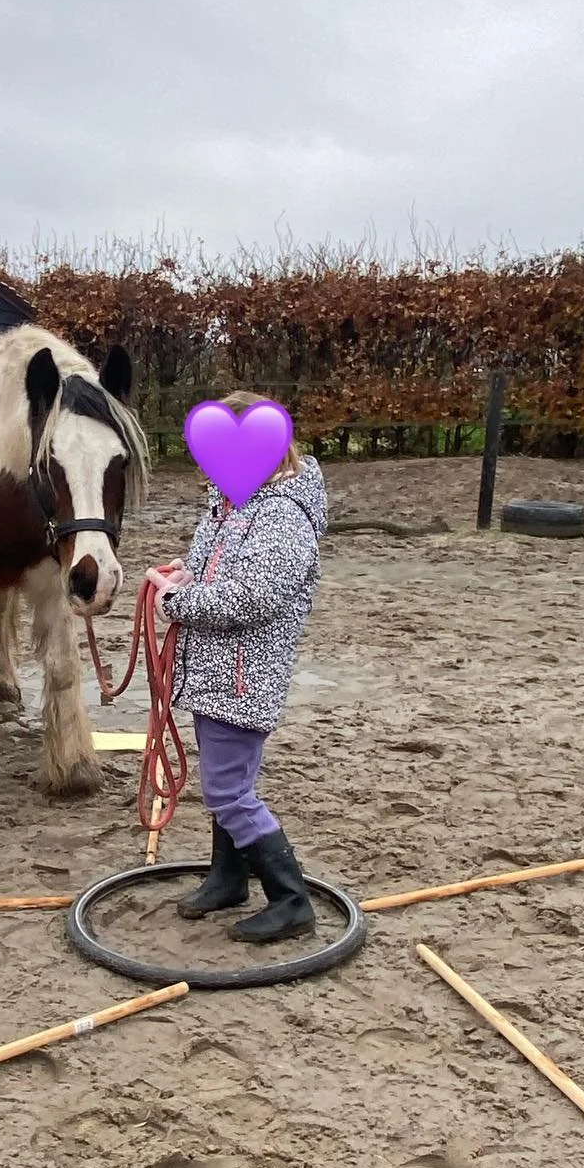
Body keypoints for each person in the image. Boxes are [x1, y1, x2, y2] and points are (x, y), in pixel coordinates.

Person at [147, 392, 327, 944]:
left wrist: (178, 603)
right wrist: (188, 570)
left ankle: (290, 899)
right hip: (217, 672)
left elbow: (249, 597)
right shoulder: (232, 503)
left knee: (228, 791)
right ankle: (229, 877)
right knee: (226, 780)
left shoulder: (280, 515)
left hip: (242, 677)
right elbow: (222, 566)